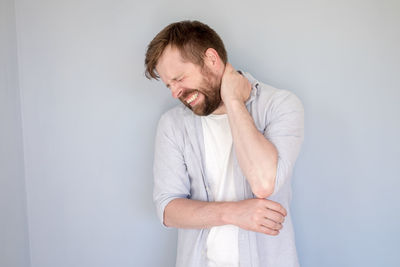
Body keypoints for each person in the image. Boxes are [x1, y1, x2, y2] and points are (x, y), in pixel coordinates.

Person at [145, 20, 304, 267]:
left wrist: (233, 101)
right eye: (169, 85)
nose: (175, 93)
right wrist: (233, 213)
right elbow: (168, 209)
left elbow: (263, 184)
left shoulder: (280, 105)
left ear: (211, 59)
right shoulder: (172, 125)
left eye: (179, 78)